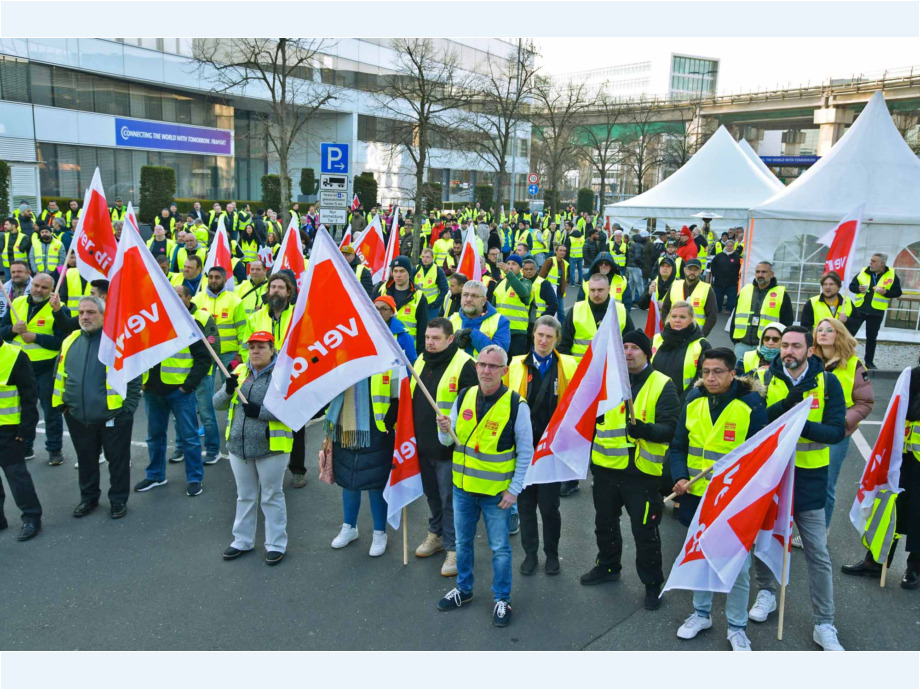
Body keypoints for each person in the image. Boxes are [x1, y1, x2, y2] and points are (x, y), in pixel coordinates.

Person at [749, 325, 847, 651]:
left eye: (795, 346)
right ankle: (766, 593)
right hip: (771, 477)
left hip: (810, 480)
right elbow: (756, 423)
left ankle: (824, 623)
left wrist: (799, 422)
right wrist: (785, 409)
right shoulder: (763, 379)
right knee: (764, 538)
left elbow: (835, 432)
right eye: (784, 345)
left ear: (809, 350)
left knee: (817, 553)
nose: (788, 351)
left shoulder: (828, 383)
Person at [670, 347, 769, 650]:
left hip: (733, 500)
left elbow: (760, 456)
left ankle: (737, 627)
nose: (710, 378)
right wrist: (679, 476)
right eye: (706, 372)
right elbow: (677, 446)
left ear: (733, 373)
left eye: (718, 372)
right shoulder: (694, 399)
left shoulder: (751, 404)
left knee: (737, 566)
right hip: (696, 496)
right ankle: (702, 614)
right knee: (700, 558)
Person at [435, 345, 534, 627]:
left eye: (493, 366)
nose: (486, 371)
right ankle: (464, 591)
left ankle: (502, 599)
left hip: (495, 495)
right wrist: (443, 429)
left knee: (500, 548)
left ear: (504, 371)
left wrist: (514, 489)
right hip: (463, 489)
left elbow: (526, 452)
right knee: (463, 544)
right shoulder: (464, 395)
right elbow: (448, 443)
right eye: (482, 365)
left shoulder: (517, 405)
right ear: (476, 367)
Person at [581, 330, 679, 609]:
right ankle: (608, 566)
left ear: (647, 352)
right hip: (606, 470)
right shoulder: (607, 383)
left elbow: (671, 429)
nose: (628, 352)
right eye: (623, 346)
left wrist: (645, 430)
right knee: (605, 524)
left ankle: (651, 584)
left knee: (645, 532)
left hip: (642, 476)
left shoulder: (663, 384)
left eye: (634, 347)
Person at [53, 296, 140, 519]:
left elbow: (135, 377)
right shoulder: (70, 340)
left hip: (113, 417)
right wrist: (64, 405)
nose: (84, 317)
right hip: (78, 416)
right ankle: (88, 498)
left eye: (91, 312)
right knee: (86, 460)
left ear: (104, 315)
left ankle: (118, 500)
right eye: (81, 312)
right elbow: (60, 373)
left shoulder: (117, 342)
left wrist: (127, 409)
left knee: (118, 461)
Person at [506, 316, 578, 576]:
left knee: (549, 507)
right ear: (533, 335)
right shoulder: (514, 365)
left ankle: (551, 554)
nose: (544, 340)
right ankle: (530, 554)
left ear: (557, 339)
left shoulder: (569, 365)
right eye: (540, 335)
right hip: (524, 450)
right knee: (525, 506)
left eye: (549, 336)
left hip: (551, 450)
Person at [214, 331, 292, 566]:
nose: (255, 351)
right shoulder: (239, 372)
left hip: (272, 448)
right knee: (245, 496)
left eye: (261, 347)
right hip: (239, 447)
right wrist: (228, 389)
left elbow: (292, 410)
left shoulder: (283, 375)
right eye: (252, 347)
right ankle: (242, 540)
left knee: (271, 496)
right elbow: (217, 404)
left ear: (272, 350)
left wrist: (260, 412)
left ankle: (276, 544)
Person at [841, 360, 920, 589]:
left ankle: (914, 568)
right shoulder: (912, 376)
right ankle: (876, 561)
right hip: (901, 458)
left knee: (917, 516)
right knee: (888, 509)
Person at [411, 318, 478, 577]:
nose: (430, 342)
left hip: (450, 449)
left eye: (436, 338)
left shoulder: (465, 365)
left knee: (451, 499)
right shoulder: (420, 360)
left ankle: (455, 547)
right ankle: (436, 534)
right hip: (423, 444)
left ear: (450, 339)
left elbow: (472, 408)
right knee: (433, 495)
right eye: (428, 337)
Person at [134, 286, 214, 498]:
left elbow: (204, 359)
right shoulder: (149, 324)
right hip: (153, 391)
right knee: (154, 437)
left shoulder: (189, 324)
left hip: (180, 392)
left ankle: (195, 478)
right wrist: (143, 382)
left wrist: (187, 386)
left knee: (189, 437)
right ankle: (155, 476)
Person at [326, 370, 399, 558]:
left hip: (378, 429)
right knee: (348, 479)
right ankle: (349, 527)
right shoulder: (344, 360)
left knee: (375, 483)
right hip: (346, 426)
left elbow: (398, 398)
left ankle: (379, 533)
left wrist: (388, 426)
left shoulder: (389, 359)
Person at [813, 317, 873, 531]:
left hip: (836, 436)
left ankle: (821, 532)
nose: (823, 333)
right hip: (807, 432)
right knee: (799, 482)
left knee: (826, 485)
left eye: (829, 330)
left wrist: (841, 422)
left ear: (839, 334)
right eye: (820, 329)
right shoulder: (808, 360)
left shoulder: (854, 364)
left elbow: (865, 402)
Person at [0, 272, 66, 465]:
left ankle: (54, 450)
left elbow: (62, 341)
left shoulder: (58, 309)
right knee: (22, 410)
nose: (38, 290)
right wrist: (12, 330)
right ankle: (25, 447)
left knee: (51, 411)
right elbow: (2, 331)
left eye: (44, 288)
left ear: (51, 290)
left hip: (45, 368)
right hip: (18, 368)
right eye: (36, 285)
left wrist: (36, 337)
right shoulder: (17, 303)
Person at [0, 338, 42, 541]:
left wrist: (26, 429)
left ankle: (32, 517)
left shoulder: (15, 355)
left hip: (8, 430)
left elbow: (29, 396)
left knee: (17, 477)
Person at [560, 273, 634, 365]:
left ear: (609, 289)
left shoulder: (621, 312)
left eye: (600, 290)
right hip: (578, 372)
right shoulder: (576, 310)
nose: (596, 294)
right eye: (592, 290)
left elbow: (631, 345)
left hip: (610, 373)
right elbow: (562, 345)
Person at [846, 253, 902, 369]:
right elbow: (851, 287)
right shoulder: (863, 272)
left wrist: (886, 292)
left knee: (871, 338)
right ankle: (844, 359)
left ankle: (869, 363)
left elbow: (898, 292)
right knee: (849, 335)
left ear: (882, 264)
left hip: (876, 312)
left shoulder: (891, 275)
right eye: (871, 260)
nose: (870, 263)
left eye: (874, 261)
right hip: (860, 310)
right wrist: (858, 289)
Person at [729, 261, 794, 359]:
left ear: (772, 274)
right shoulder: (745, 290)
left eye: (764, 272)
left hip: (767, 347)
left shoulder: (781, 294)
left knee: (763, 374)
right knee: (738, 374)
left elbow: (787, 321)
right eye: (758, 272)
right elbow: (735, 317)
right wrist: (735, 340)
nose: (760, 275)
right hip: (742, 345)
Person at [651, 300, 711, 403]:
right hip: (653, 398)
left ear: (691, 319)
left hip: (684, 402)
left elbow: (703, 376)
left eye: (682, 317)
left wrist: (683, 400)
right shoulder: (657, 339)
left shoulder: (702, 345)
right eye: (674, 316)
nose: (677, 320)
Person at [378, 256, 429, 357]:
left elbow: (423, 329)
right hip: (383, 348)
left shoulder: (419, 296)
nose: (398, 275)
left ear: (409, 272)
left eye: (402, 271)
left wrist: (420, 355)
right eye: (395, 271)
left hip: (408, 352)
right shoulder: (382, 291)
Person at [449, 279, 511, 359]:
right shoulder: (450, 320)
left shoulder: (500, 322)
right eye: (465, 295)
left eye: (474, 296)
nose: (468, 299)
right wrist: (454, 344)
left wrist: (473, 334)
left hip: (485, 371)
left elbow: (499, 356)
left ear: (484, 301)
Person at [661, 258, 717, 336]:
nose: (692, 272)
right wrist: (667, 327)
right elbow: (665, 308)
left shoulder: (707, 289)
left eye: (696, 270)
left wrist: (702, 335)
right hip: (673, 332)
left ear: (701, 271)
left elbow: (712, 316)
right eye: (690, 269)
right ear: (684, 270)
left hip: (695, 334)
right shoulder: (675, 285)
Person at [491, 255, 532, 357]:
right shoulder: (500, 283)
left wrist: (509, 274)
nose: (510, 266)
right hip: (500, 331)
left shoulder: (525, 282)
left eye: (514, 264)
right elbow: (492, 307)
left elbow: (523, 292)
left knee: (515, 367)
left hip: (517, 333)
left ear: (520, 268)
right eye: (508, 263)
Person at [374, 295, 417, 362]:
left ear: (391, 313)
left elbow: (412, 362)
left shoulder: (404, 337)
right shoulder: (365, 331)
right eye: (375, 308)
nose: (378, 312)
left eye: (383, 309)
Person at [709, 238, 741, 315]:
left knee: (731, 297)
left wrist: (737, 277)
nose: (729, 247)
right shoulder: (719, 256)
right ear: (725, 246)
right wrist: (715, 274)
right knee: (718, 296)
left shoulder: (737, 257)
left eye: (731, 246)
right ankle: (718, 308)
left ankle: (729, 309)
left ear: (733, 247)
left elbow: (740, 268)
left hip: (732, 281)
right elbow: (713, 265)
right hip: (719, 281)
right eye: (728, 246)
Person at [415, 247, 449, 317]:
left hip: (431, 306)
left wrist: (436, 304)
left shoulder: (438, 270)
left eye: (427, 257)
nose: (425, 259)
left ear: (432, 258)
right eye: (423, 257)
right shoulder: (416, 269)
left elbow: (444, 289)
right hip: (417, 304)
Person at [626, 230, 648, 304]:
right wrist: (641, 265)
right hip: (636, 267)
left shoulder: (632, 244)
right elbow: (637, 257)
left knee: (631, 284)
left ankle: (631, 299)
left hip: (630, 266)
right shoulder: (639, 245)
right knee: (639, 284)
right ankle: (643, 301)